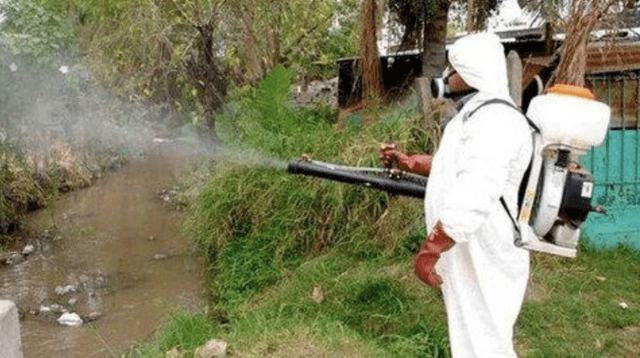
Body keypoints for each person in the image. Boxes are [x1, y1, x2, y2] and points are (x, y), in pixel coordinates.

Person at [380, 32, 533, 358]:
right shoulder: (478, 114)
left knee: (484, 340)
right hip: (469, 245)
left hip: (484, 247)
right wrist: (410, 163)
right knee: (472, 334)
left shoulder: (497, 120)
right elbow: (454, 166)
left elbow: (475, 191)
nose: (449, 78)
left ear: (474, 74)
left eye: (456, 71)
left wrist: (430, 249)